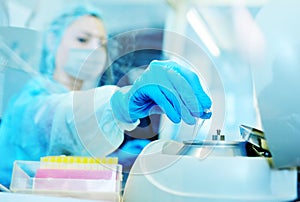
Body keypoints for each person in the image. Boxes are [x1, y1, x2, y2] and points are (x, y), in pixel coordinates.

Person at [0, 5, 212, 188]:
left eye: (101, 43)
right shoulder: (33, 99)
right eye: (83, 39)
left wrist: (119, 158)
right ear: (52, 40)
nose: (94, 49)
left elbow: (71, 154)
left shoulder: (75, 97)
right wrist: (119, 104)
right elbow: (59, 118)